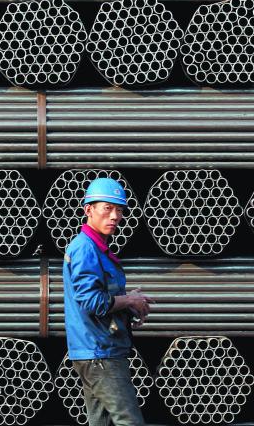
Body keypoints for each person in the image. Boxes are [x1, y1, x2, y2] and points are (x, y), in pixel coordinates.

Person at [62, 177, 155, 426]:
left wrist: (129, 302)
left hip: (97, 351)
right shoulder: (85, 249)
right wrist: (127, 300)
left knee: (102, 423)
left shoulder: (96, 248)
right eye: (107, 208)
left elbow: (103, 296)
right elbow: (91, 302)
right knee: (129, 421)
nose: (114, 216)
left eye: (119, 210)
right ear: (88, 210)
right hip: (100, 353)